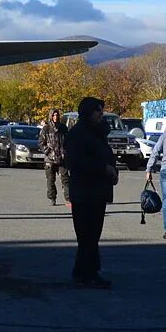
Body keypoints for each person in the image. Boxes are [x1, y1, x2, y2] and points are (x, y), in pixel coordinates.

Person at [63, 97, 116, 288]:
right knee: (87, 236)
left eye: (101, 110)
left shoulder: (97, 133)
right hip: (84, 193)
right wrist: (103, 169)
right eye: (97, 110)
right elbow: (75, 163)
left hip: (98, 192)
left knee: (92, 236)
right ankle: (87, 274)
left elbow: (107, 156)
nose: (101, 114)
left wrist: (112, 171)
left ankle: (85, 272)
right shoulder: (78, 134)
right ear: (87, 112)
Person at [38, 108, 70, 207]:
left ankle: (68, 199)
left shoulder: (63, 128)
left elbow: (69, 142)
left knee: (65, 179)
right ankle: (52, 198)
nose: (55, 117)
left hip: (62, 158)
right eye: (53, 115)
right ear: (51, 116)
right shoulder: (46, 129)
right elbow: (41, 143)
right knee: (50, 180)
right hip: (50, 159)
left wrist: (66, 152)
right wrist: (48, 152)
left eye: (57, 115)